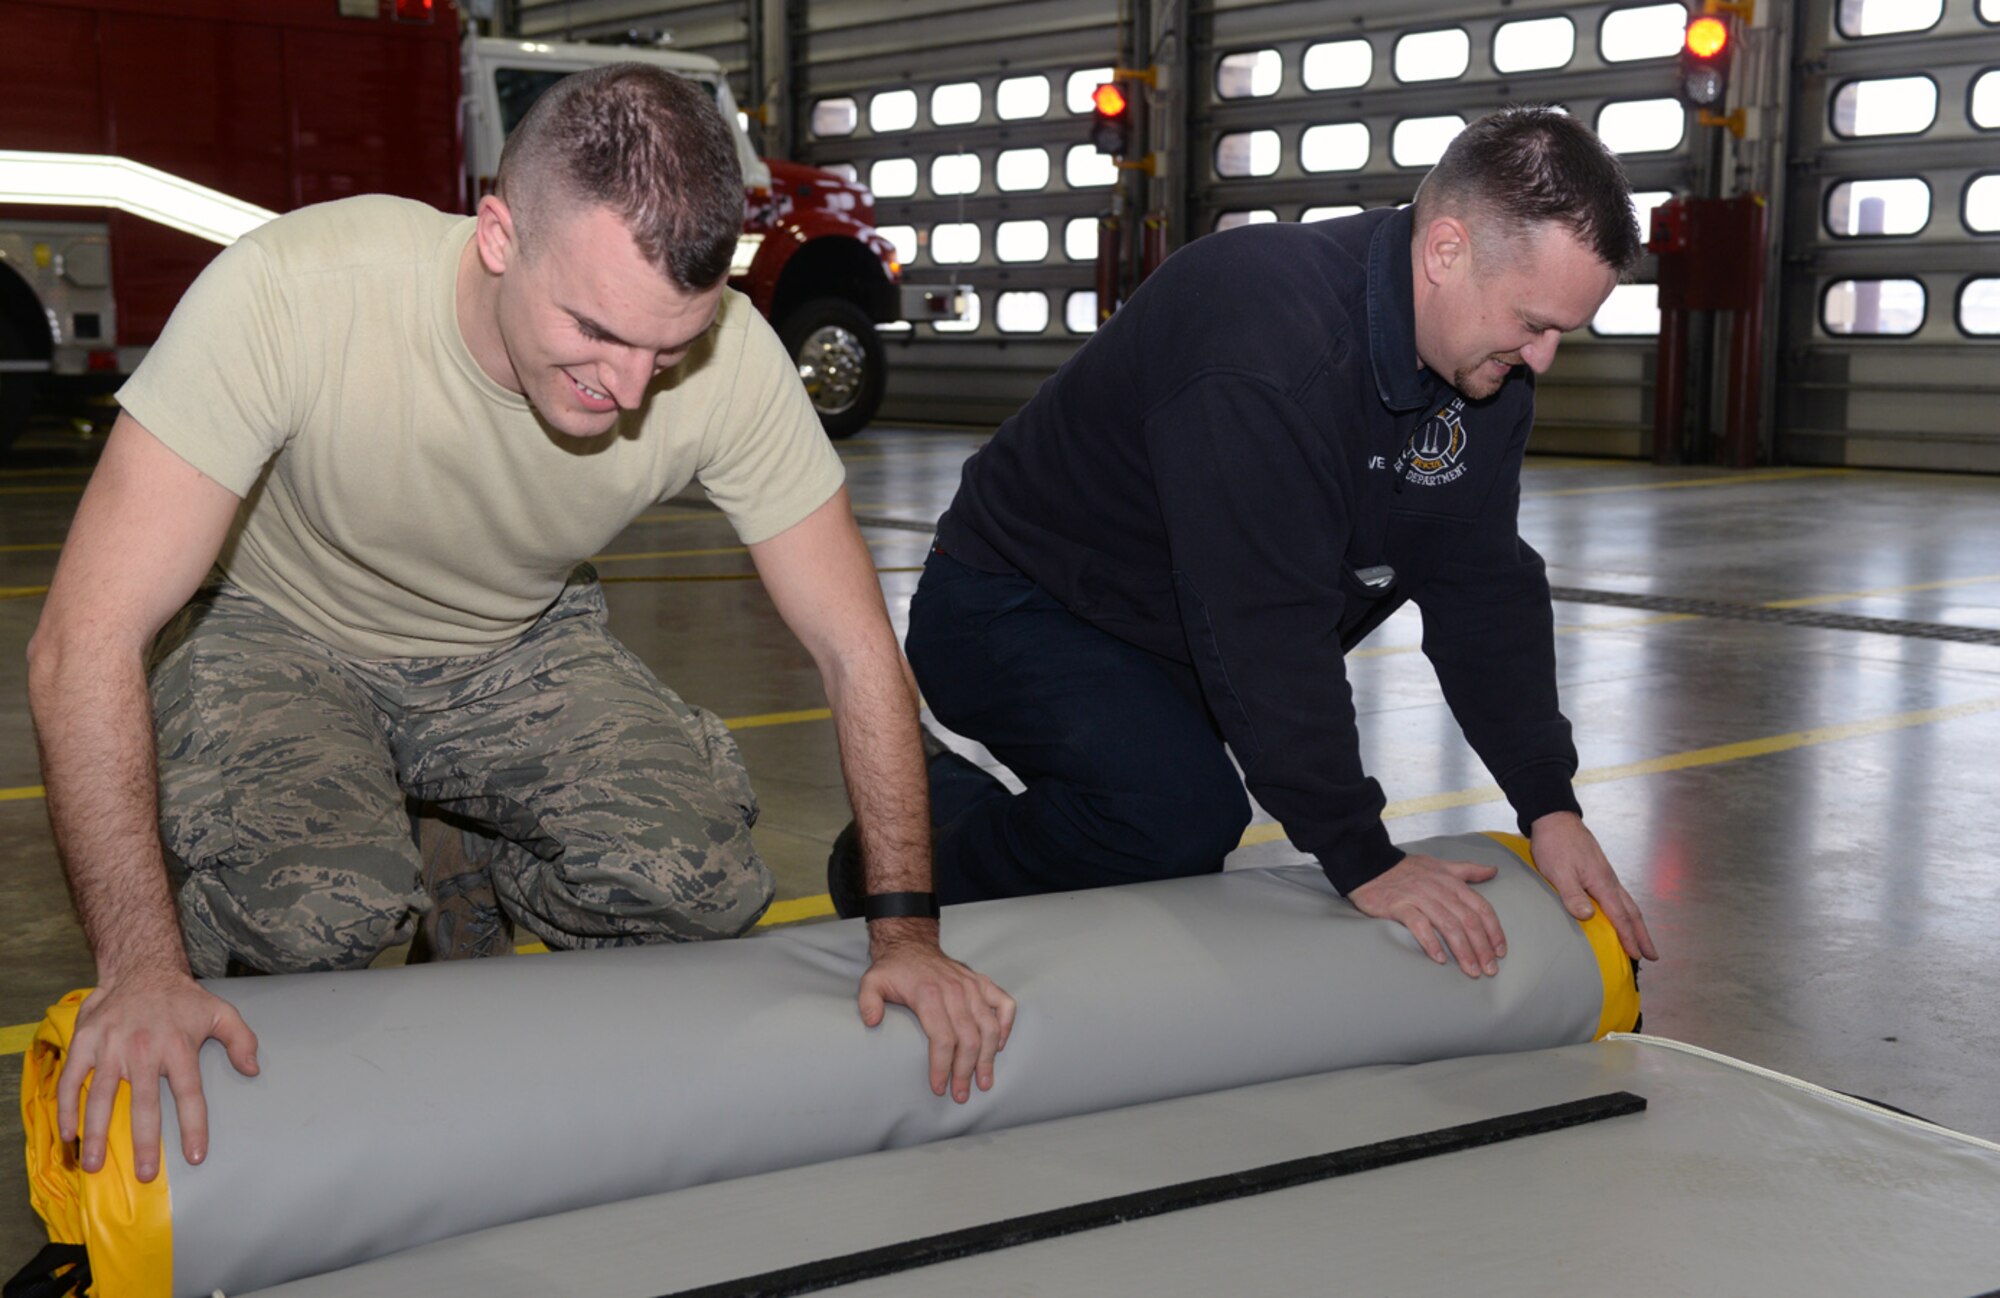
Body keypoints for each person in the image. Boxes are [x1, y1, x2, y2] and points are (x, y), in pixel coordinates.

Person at [26, 63, 1012, 1189]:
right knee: (314, 915)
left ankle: (470, 836)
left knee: (689, 879)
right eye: (594, 330)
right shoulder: (299, 291)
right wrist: (138, 968)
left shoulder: (726, 360)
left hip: (515, 641)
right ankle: (362, 855)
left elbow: (854, 649)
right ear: (497, 235)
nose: (631, 389)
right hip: (285, 630)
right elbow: (83, 639)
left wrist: (906, 934)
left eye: (668, 346)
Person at [837, 106, 1659, 980]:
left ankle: (969, 792)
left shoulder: (1484, 377)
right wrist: (1362, 857)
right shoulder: (1263, 339)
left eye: (1563, 331)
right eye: (1533, 322)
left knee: (1162, 805)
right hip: (1013, 602)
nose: (1544, 359)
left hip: (1166, 623)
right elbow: (1266, 625)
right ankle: (904, 854)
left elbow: (1482, 588)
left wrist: (1549, 805)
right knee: (1173, 819)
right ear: (1446, 251)